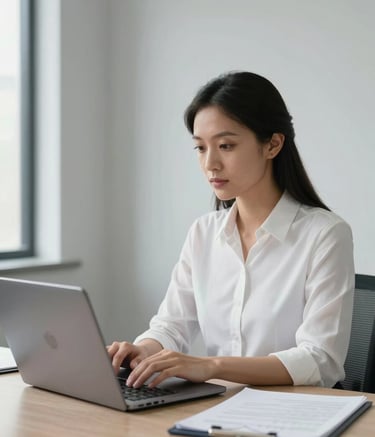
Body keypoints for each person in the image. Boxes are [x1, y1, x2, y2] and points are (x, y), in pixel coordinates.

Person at [107, 71, 355, 389]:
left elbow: (320, 360)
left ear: (273, 145)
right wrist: (142, 350)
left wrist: (211, 366)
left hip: (293, 414)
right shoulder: (203, 233)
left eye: (225, 145)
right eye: (200, 148)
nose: (211, 163)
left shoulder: (325, 234)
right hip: (217, 409)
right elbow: (171, 326)